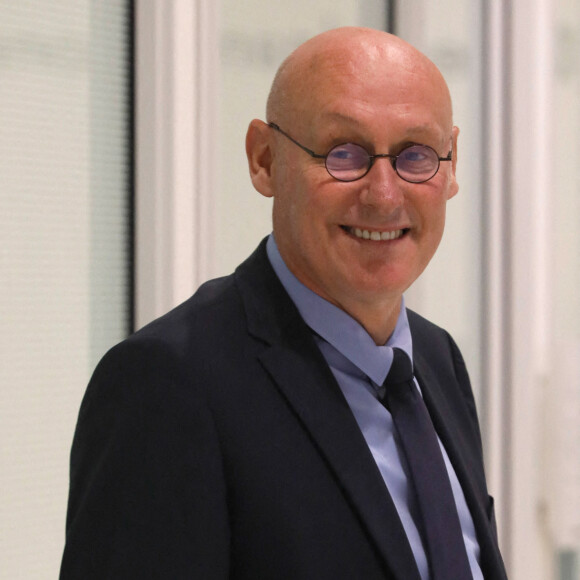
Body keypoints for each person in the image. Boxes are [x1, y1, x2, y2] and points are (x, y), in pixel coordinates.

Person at [60, 27, 507, 580]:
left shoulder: (437, 361)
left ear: (451, 163)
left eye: (416, 156)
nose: (385, 194)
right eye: (345, 153)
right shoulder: (168, 385)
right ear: (265, 159)